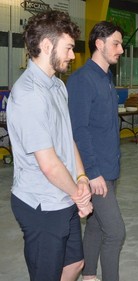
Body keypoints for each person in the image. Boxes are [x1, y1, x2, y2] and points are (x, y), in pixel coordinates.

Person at [6, 10, 93, 281]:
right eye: (68, 48)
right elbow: (48, 164)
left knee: (76, 263)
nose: (72, 55)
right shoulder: (29, 94)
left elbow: (67, 139)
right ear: (46, 46)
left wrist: (81, 178)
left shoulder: (57, 86)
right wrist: (79, 195)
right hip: (41, 204)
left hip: (63, 194)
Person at [67, 21, 126, 281]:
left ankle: (89, 275)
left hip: (108, 169)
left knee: (95, 226)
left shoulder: (106, 77)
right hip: (96, 172)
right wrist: (92, 172)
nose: (121, 49)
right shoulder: (82, 79)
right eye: (116, 43)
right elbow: (78, 131)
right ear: (99, 44)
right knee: (115, 232)